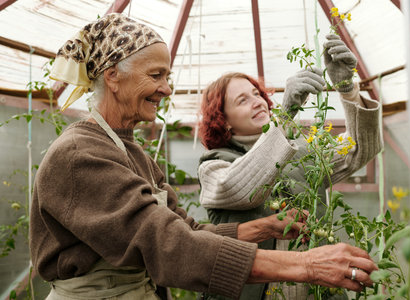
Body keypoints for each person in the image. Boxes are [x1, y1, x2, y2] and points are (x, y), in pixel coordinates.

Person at [29, 14, 377, 300]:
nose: (166, 88)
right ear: (112, 76)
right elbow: (169, 243)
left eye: (168, 76)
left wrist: (347, 87)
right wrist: (306, 265)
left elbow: (186, 229)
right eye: (155, 75)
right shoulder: (81, 153)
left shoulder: (132, 152)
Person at [197, 34, 383, 299]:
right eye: (243, 100)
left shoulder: (302, 151)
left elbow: (359, 149)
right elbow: (241, 187)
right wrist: (284, 117)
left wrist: (346, 87)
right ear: (223, 121)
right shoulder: (214, 166)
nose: (258, 101)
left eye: (257, 94)